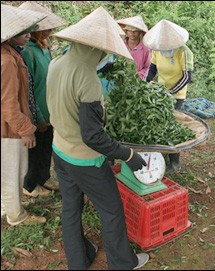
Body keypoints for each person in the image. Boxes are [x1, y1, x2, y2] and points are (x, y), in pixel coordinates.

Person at [46, 7, 149, 270]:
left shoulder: (57, 63)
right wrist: (128, 154)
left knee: (71, 210)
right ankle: (123, 263)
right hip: (84, 160)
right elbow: (93, 137)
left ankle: (79, 261)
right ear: (99, 50)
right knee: (112, 211)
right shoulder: (88, 79)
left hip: (59, 150)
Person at [1, 4, 48, 225]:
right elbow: (9, 103)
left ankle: (8, 206)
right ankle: (16, 216)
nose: (28, 34)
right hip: (8, 128)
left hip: (8, 126)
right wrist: (26, 130)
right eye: (23, 31)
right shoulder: (7, 61)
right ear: (10, 35)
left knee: (9, 171)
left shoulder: (11, 54)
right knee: (13, 173)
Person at [18, 1, 64, 198]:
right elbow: (28, 88)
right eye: (44, 29)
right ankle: (30, 185)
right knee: (35, 150)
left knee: (47, 146)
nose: (49, 32)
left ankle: (44, 178)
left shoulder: (44, 47)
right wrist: (38, 116)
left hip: (50, 106)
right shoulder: (27, 52)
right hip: (37, 110)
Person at [144, 19, 194, 174]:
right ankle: (162, 155)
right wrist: (145, 83)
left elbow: (187, 77)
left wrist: (170, 93)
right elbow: (152, 69)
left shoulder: (184, 52)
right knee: (158, 124)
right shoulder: (157, 50)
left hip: (177, 94)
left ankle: (174, 161)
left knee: (172, 125)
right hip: (160, 92)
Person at [117, 15, 150, 80]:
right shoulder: (121, 45)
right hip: (121, 79)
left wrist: (138, 75)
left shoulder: (145, 49)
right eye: (130, 31)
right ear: (126, 31)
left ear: (140, 32)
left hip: (138, 81)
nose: (132, 33)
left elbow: (147, 67)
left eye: (135, 31)